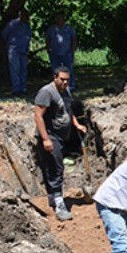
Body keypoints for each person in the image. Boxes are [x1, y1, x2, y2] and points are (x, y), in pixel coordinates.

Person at [34, 66, 86, 221]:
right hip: (51, 136)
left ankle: (52, 198)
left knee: (55, 167)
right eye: (62, 79)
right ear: (55, 77)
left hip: (62, 136)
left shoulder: (66, 91)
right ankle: (59, 203)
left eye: (67, 80)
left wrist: (76, 125)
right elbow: (38, 116)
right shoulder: (46, 92)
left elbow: (68, 111)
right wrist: (45, 139)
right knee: (57, 168)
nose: (64, 82)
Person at [1, 9, 32, 96]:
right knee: (15, 69)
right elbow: (4, 34)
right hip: (14, 50)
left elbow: (29, 37)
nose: (27, 18)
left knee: (24, 70)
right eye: (25, 16)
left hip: (24, 51)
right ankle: (16, 89)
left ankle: (23, 88)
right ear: (20, 15)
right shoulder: (13, 24)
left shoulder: (27, 26)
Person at [46, 12, 78, 91]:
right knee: (55, 70)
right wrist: (48, 49)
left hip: (67, 53)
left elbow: (74, 39)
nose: (59, 20)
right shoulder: (51, 29)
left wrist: (73, 50)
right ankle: (57, 86)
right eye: (57, 18)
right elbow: (47, 40)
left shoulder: (69, 29)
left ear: (64, 19)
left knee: (69, 69)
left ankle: (71, 86)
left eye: (61, 18)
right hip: (55, 53)